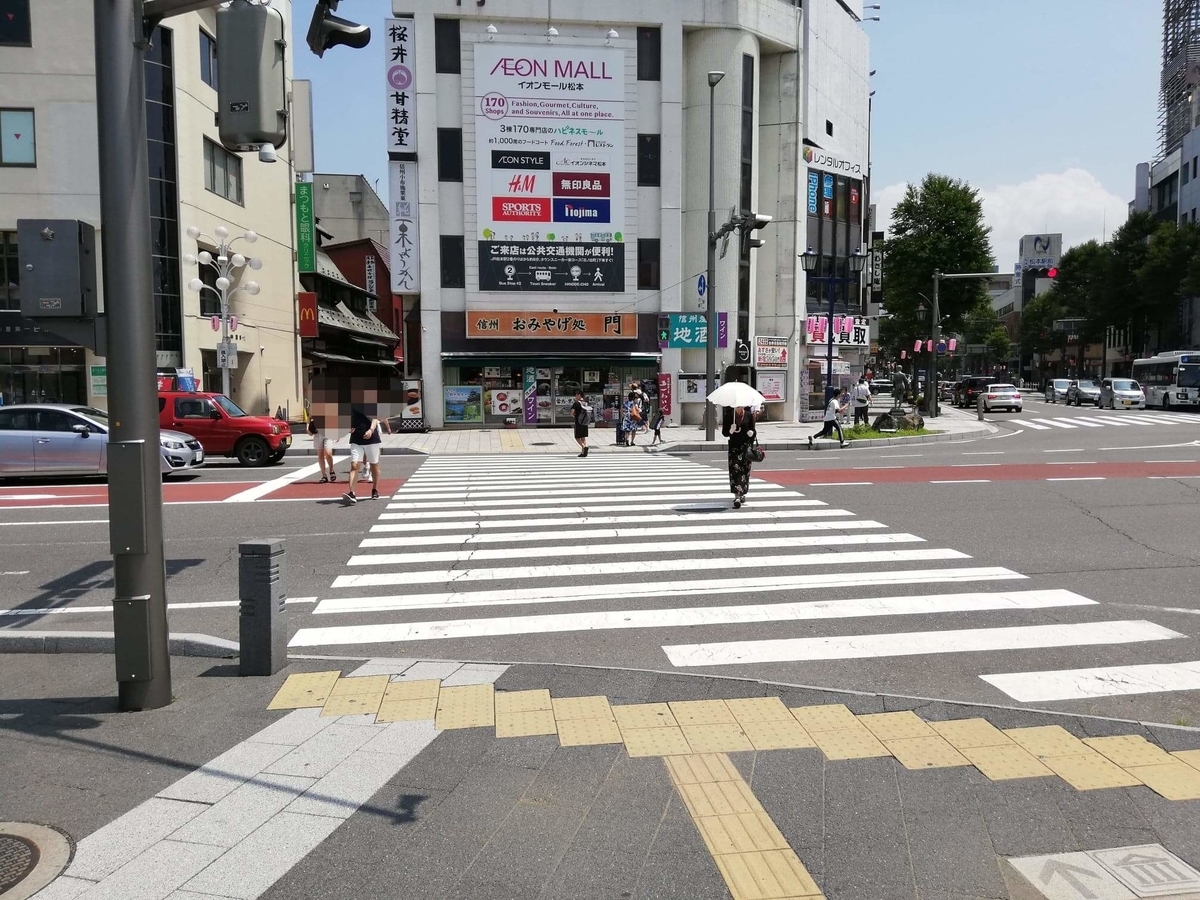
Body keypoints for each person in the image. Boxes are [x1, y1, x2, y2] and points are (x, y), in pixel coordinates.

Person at [342, 408, 382, 504]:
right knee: (354, 465)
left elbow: (375, 418)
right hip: (356, 440)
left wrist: (371, 430)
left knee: (374, 465)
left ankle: (375, 489)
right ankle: (352, 493)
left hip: (371, 439)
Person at [722, 405, 756, 509]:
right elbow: (724, 432)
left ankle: (742, 494)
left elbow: (753, 430)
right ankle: (737, 495)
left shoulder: (749, 416)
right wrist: (730, 431)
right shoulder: (729, 415)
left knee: (744, 471)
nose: (739, 408)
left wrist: (752, 433)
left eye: (740, 406)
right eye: (737, 406)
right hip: (734, 447)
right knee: (735, 469)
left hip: (746, 447)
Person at [308, 415, 336, 484]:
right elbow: (309, 417)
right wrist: (307, 428)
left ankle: (331, 470)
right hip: (317, 433)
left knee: (328, 452)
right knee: (320, 454)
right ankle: (324, 475)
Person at [570, 390, 590, 457]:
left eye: (576, 395)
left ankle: (584, 447)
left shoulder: (576, 403)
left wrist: (574, 415)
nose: (575, 396)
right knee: (583, 437)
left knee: (577, 437)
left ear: (579, 395)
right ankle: (583, 452)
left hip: (578, 422)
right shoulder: (585, 403)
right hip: (585, 422)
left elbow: (572, 413)